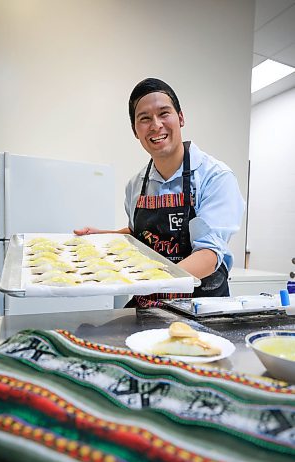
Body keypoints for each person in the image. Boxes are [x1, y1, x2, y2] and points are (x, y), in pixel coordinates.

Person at [75, 78, 245, 307]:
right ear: (136, 131)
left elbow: (208, 255)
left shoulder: (215, 176)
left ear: (181, 118)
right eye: (144, 118)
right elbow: (141, 237)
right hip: (149, 304)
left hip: (201, 306)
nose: (155, 125)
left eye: (164, 113)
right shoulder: (135, 185)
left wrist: (150, 279)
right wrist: (103, 238)